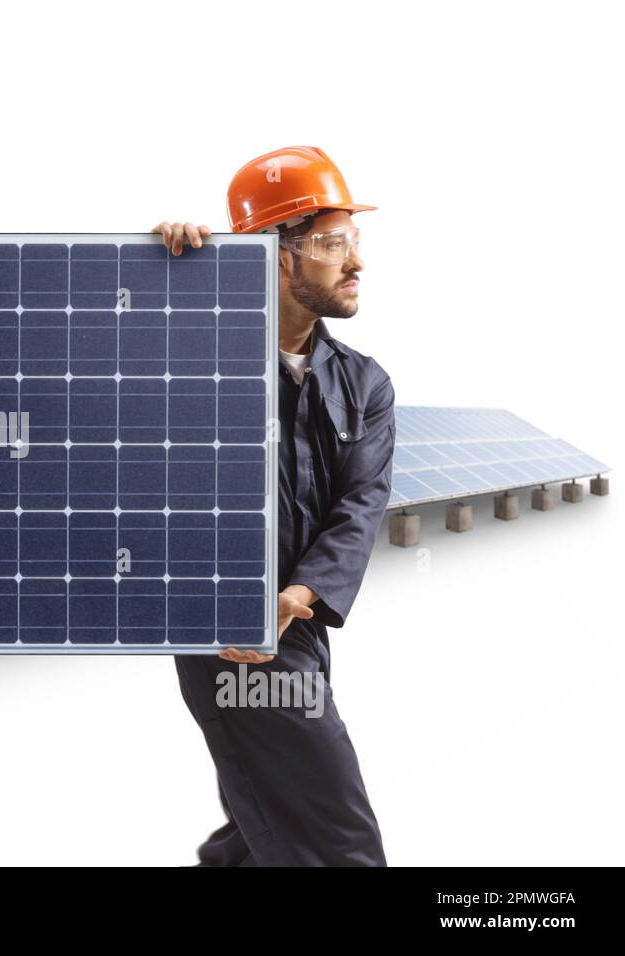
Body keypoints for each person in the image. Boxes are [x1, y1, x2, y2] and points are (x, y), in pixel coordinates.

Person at [152, 145, 395, 865]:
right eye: (331, 243)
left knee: (267, 814)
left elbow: (362, 501)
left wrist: (303, 591)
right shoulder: (196, 351)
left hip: (302, 620)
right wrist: (167, 281)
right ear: (274, 254)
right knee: (336, 837)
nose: (355, 262)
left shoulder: (364, 384)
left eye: (355, 241)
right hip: (228, 630)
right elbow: (108, 393)